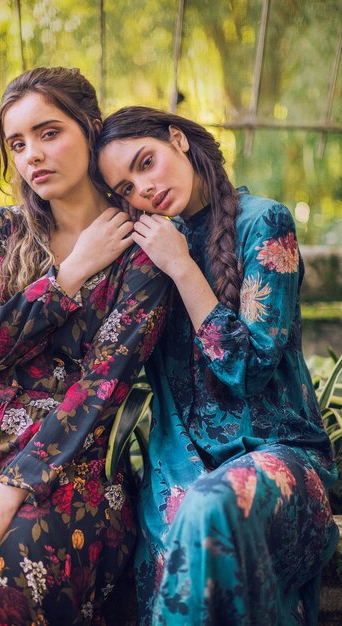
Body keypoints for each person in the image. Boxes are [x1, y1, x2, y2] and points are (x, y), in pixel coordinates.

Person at [0, 72, 169, 626]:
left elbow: (101, 387)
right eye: (17, 144)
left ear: (90, 129)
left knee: (14, 583)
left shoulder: (143, 251)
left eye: (49, 132)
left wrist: (12, 492)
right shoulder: (3, 230)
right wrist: (72, 271)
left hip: (69, 457)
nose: (33, 155)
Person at [97, 106, 339, 626]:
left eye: (146, 162)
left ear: (178, 139)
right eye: (124, 190)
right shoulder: (143, 257)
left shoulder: (265, 224)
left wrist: (183, 265)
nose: (143, 188)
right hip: (178, 469)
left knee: (208, 509)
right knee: (183, 517)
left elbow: (246, 372)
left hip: (281, 460)